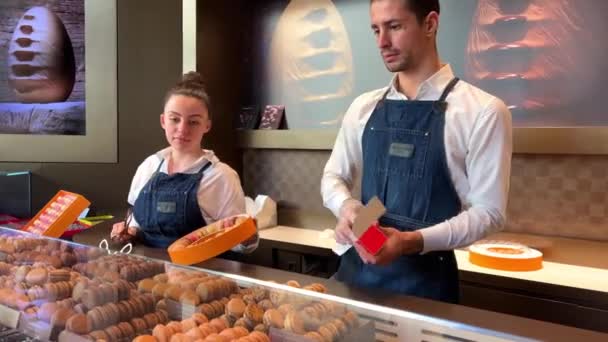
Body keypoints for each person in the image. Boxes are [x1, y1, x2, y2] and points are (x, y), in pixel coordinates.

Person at [321, 0, 512, 303]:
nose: (382, 42)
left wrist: (409, 242)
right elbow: (334, 176)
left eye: (394, 27)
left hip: (427, 287)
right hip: (355, 275)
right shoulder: (363, 107)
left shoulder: (483, 111)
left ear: (430, 24)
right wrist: (348, 209)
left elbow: (489, 213)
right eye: (375, 30)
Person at [111, 72, 258, 251]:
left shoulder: (221, 176)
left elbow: (238, 242)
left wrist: (247, 238)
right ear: (163, 121)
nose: (182, 129)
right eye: (175, 119)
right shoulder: (149, 166)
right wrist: (128, 230)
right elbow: (135, 218)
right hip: (147, 272)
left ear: (207, 125)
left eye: (193, 122)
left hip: (200, 275)